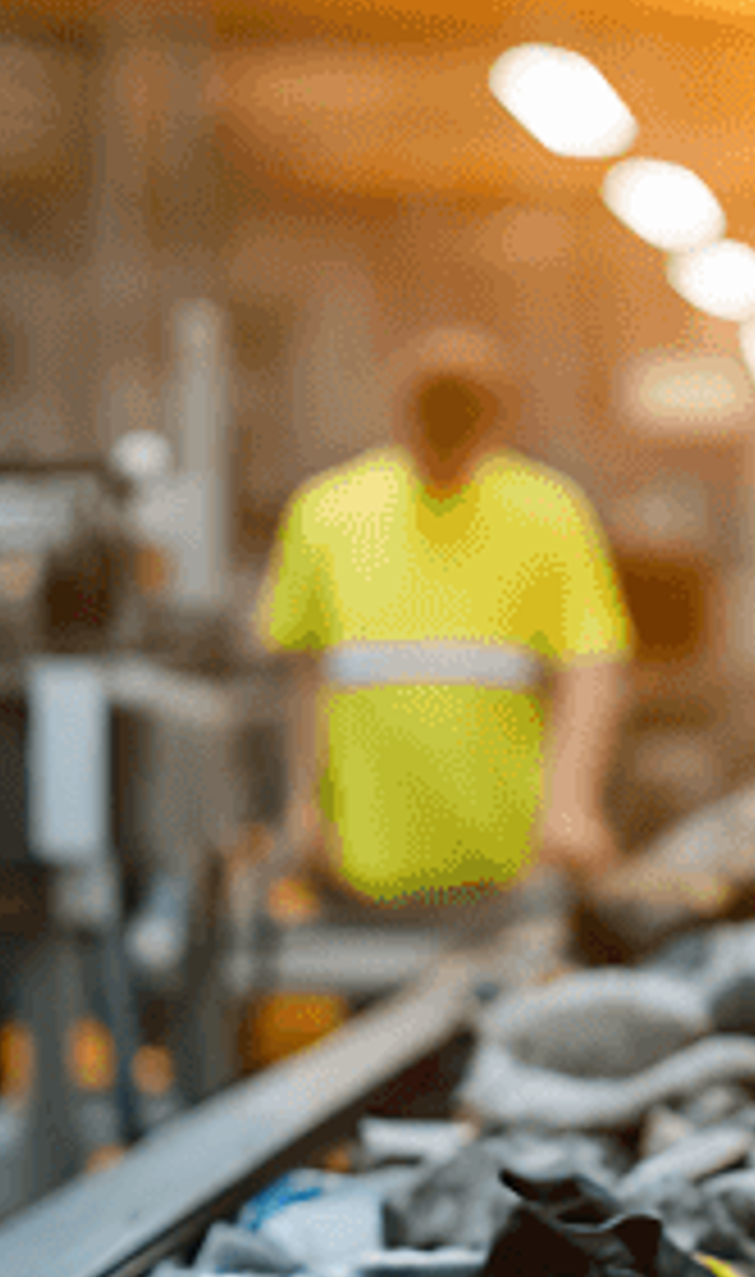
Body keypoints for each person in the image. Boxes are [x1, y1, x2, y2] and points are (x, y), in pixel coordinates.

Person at [260, 332, 636, 903]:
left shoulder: (549, 512)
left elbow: (591, 670)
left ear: (495, 417)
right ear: (400, 410)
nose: (446, 430)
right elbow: (305, 674)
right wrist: (302, 804)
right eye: (433, 411)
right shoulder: (327, 512)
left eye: (463, 413)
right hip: (360, 867)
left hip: (507, 866)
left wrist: (570, 803)